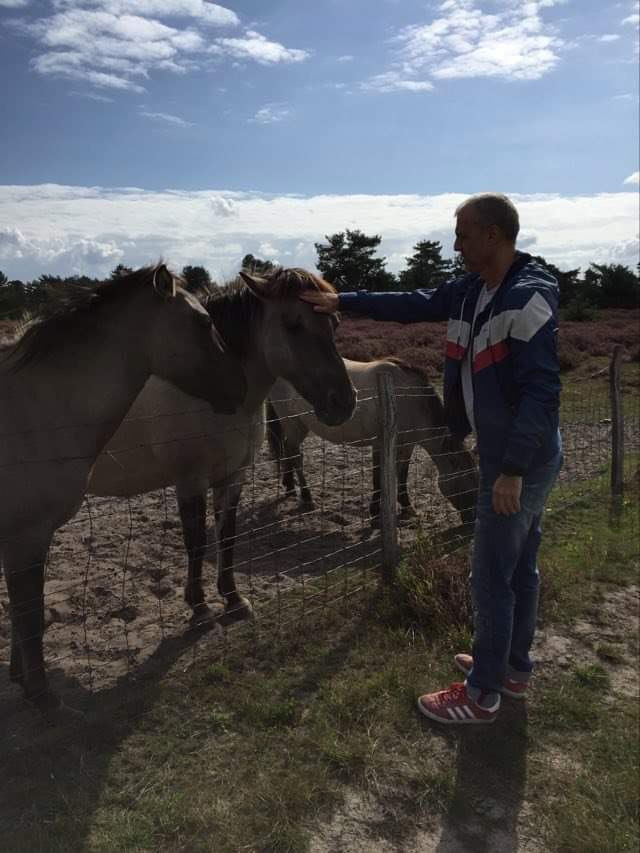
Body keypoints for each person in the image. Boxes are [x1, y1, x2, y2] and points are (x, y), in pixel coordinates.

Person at [301, 193, 562, 724]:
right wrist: (343, 300)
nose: (456, 245)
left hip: (518, 461)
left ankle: (481, 693)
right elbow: (413, 302)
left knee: (491, 576)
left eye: (463, 235)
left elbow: (542, 391)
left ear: (492, 235)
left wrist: (511, 469)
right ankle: (512, 668)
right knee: (520, 568)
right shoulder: (473, 290)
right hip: (508, 453)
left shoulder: (526, 298)